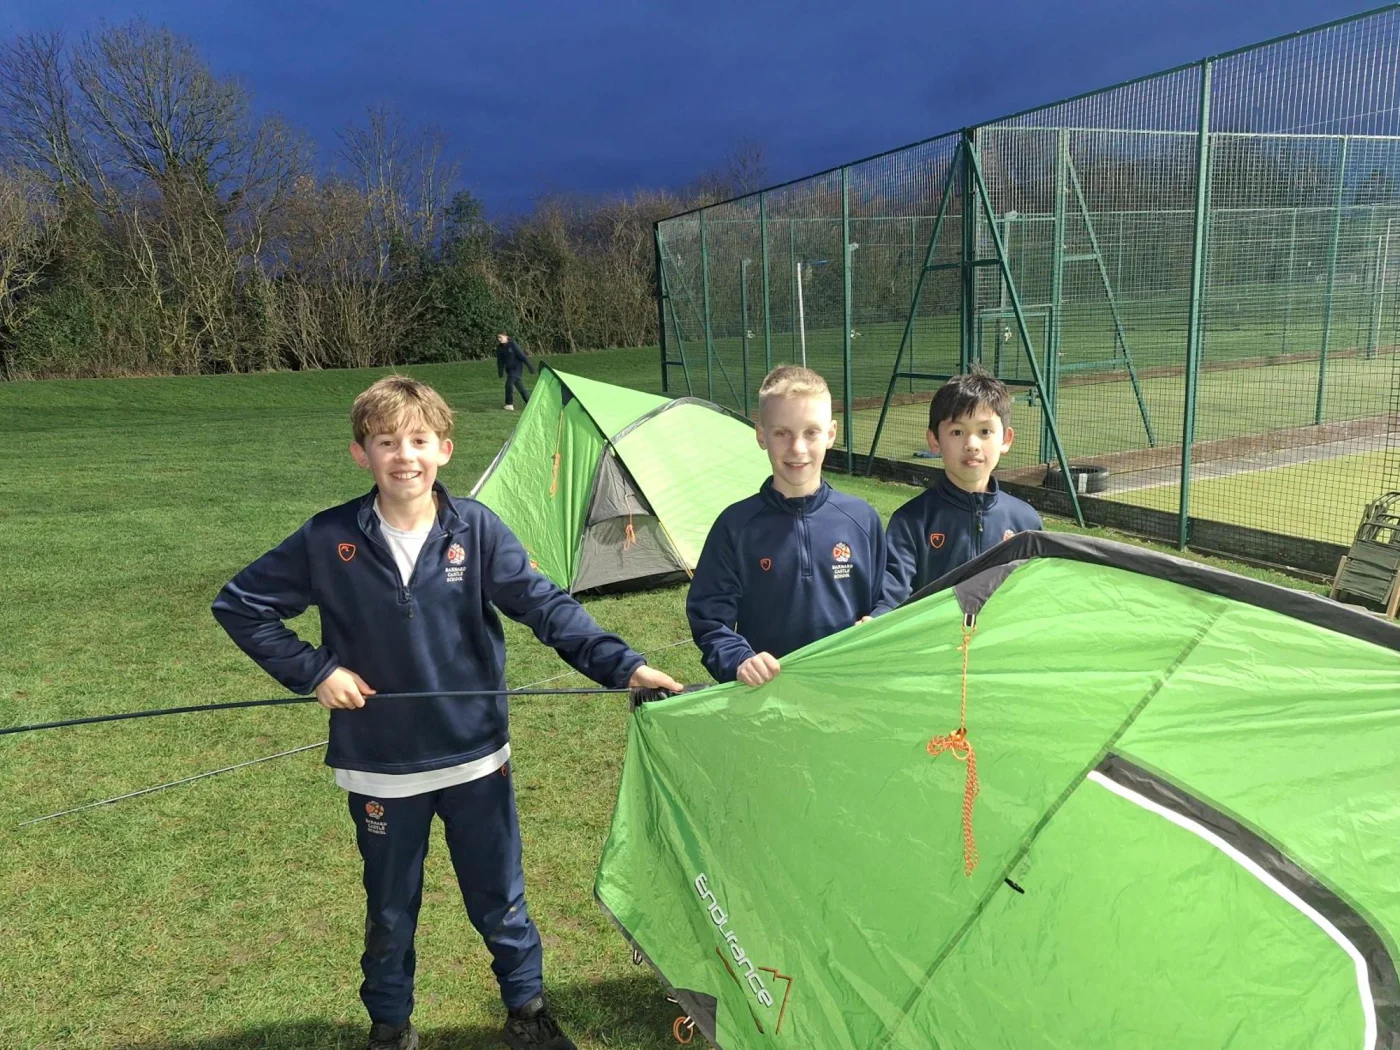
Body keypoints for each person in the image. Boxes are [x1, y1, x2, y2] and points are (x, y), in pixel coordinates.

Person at [211, 375, 681, 1050]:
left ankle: (527, 1013)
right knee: (391, 913)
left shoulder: (477, 530)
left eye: (418, 441)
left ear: (445, 450)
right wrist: (317, 671)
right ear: (360, 454)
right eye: (386, 443)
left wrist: (625, 666)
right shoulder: (328, 538)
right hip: (381, 767)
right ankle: (391, 1026)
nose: (404, 456)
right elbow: (241, 605)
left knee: (500, 899)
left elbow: (546, 607)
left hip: (474, 758)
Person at [686, 365, 886, 687]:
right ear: (762, 435)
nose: (797, 449)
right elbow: (709, 620)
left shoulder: (861, 519)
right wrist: (740, 660)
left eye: (811, 432)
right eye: (782, 433)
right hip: (769, 698)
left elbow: (888, 597)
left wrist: (879, 620)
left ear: (831, 434)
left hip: (851, 690)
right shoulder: (735, 527)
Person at [877, 367, 1042, 611]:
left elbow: (1036, 598)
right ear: (935, 440)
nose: (972, 444)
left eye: (984, 431)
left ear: (1006, 439)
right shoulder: (912, 521)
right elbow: (892, 598)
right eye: (957, 432)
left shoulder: (1026, 521)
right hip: (935, 647)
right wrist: (876, 619)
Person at [497, 333, 534, 411]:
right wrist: (500, 371)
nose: (499, 339)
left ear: (506, 337)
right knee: (521, 388)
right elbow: (500, 360)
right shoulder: (499, 348)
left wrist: (530, 366)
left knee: (508, 385)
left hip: (517, 368)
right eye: (498, 337)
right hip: (509, 370)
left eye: (501, 337)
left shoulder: (512, 344)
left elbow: (521, 356)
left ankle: (509, 404)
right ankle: (531, 403)